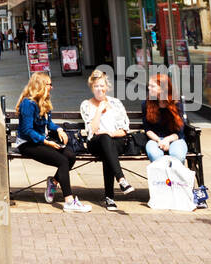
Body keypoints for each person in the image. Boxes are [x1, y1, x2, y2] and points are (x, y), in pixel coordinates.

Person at [16, 72, 90, 212]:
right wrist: (46, 142)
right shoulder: (28, 103)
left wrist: (59, 130)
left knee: (70, 156)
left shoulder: (44, 100)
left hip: (40, 141)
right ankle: (69, 201)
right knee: (62, 161)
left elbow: (49, 124)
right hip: (27, 144)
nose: (52, 87)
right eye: (49, 84)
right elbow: (27, 130)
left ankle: (53, 182)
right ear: (41, 85)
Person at [80, 69, 135, 211]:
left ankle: (110, 198)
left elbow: (124, 129)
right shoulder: (86, 105)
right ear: (92, 88)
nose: (99, 89)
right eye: (96, 86)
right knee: (104, 140)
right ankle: (121, 180)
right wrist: (99, 110)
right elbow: (92, 129)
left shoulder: (116, 103)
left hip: (116, 140)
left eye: (102, 86)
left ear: (107, 87)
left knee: (108, 148)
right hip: (95, 142)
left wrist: (109, 133)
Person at [144, 75, 188, 165]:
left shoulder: (176, 104)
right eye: (149, 85)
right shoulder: (147, 103)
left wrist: (167, 140)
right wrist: (159, 141)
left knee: (177, 155)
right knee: (155, 155)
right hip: (155, 139)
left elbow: (180, 130)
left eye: (152, 86)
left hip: (175, 139)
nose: (149, 88)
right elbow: (147, 129)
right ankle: (162, 179)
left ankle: (176, 178)